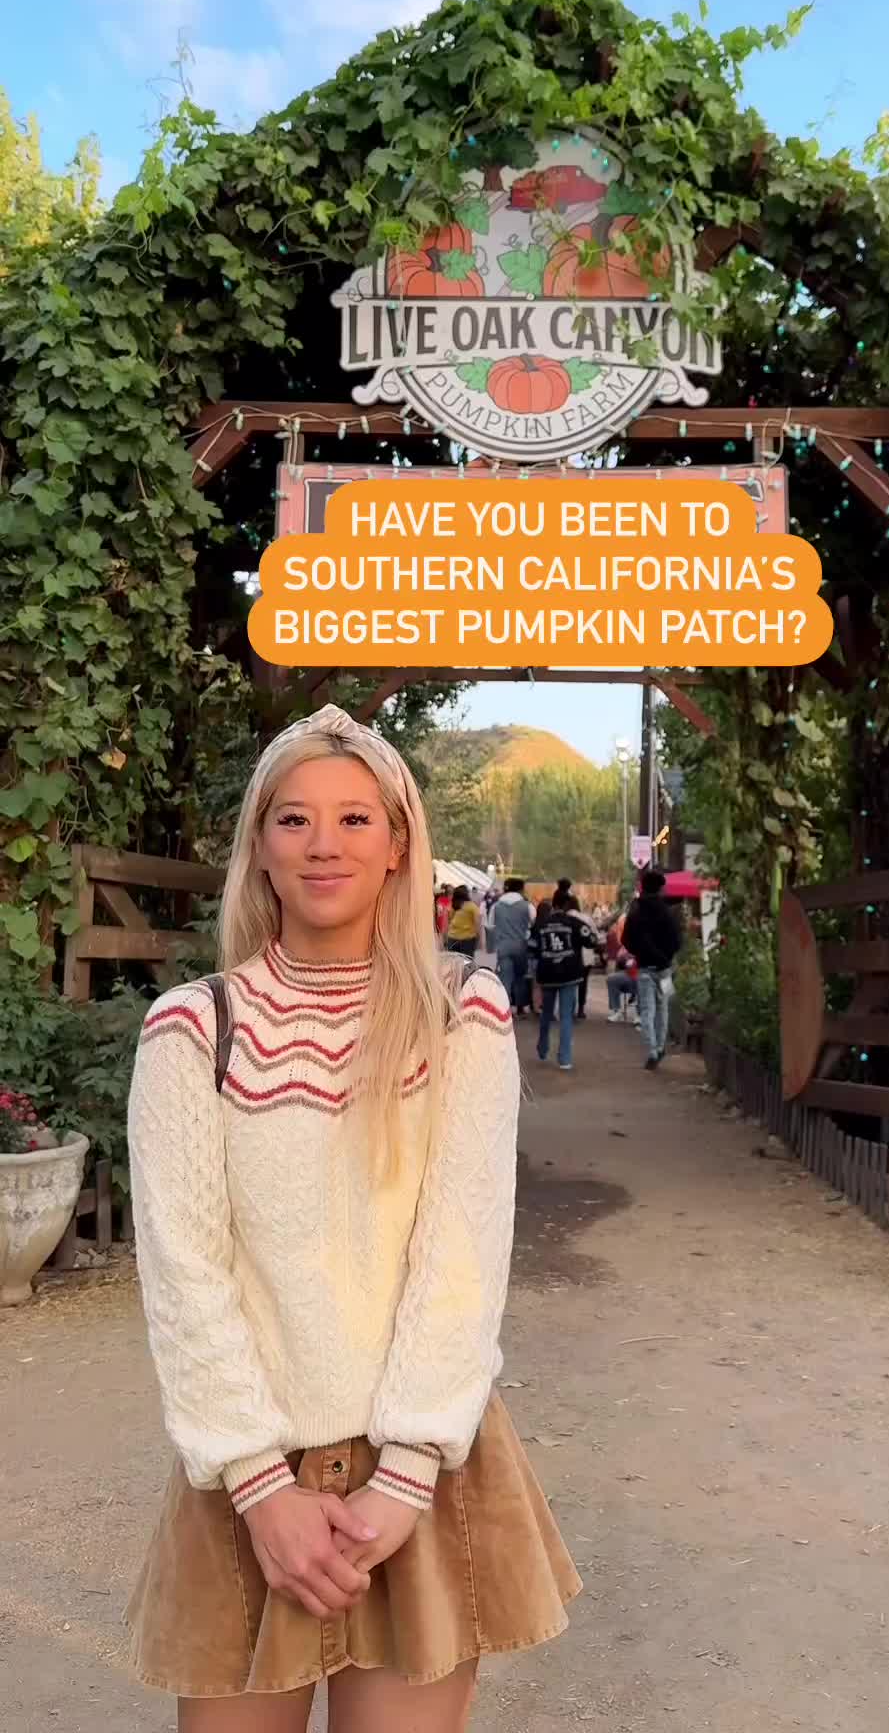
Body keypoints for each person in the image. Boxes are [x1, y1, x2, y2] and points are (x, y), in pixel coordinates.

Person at [125, 705, 579, 1728]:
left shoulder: (465, 1013)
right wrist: (257, 1484)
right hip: (249, 1478)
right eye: (293, 820)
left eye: (355, 820)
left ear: (398, 846)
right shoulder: (195, 1029)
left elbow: (462, 1252)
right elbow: (184, 1272)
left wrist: (405, 1474)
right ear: (259, 847)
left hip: (416, 1473)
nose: (324, 843)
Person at [620, 868, 682, 1069]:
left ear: (643, 887)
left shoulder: (636, 910)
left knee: (647, 1010)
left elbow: (626, 939)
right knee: (663, 1007)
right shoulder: (667, 911)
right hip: (665, 970)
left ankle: (652, 1050)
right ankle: (662, 1046)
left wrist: (639, 952)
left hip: (645, 969)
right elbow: (676, 940)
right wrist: (667, 957)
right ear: (661, 888)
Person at [530, 897, 585, 1071]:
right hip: (569, 974)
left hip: (547, 975)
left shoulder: (541, 924)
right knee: (566, 1015)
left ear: (553, 906)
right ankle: (565, 1058)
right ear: (567, 906)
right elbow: (591, 939)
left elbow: (532, 948)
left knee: (546, 1013)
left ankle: (543, 1048)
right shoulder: (574, 922)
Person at [489, 877, 535, 1015]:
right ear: (521, 889)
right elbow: (533, 923)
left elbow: (490, 926)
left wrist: (490, 948)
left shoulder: (496, 906)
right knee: (520, 976)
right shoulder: (527, 906)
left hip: (502, 946)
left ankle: (505, 1008)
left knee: (505, 977)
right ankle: (520, 1007)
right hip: (521, 946)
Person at [564, 895, 601, 1019]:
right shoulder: (586, 918)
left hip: (568, 956)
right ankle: (580, 1009)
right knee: (583, 983)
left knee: (569, 983)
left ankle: (569, 1008)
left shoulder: (563, 919)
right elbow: (595, 935)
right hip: (586, 956)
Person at [445, 883, 481, 959]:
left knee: (452, 963)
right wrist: (479, 939)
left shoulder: (453, 905)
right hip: (467, 940)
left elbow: (449, 921)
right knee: (466, 963)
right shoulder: (472, 906)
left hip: (452, 938)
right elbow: (477, 924)